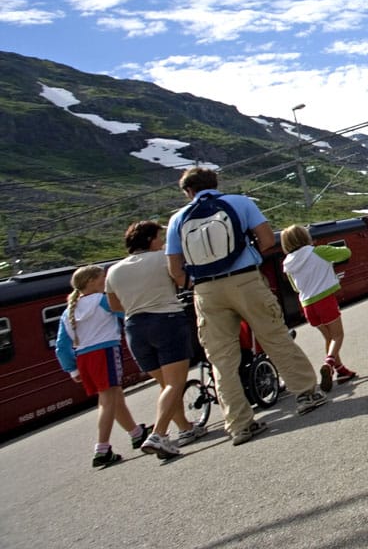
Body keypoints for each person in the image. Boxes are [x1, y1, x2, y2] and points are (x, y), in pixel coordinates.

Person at [165, 166, 326, 446]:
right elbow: (266, 239)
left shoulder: (177, 220)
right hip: (245, 280)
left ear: (188, 192)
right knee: (274, 337)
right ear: (215, 183)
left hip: (205, 291)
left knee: (222, 359)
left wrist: (199, 283)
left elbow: (175, 270)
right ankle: (306, 394)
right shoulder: (240, 203)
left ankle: (240, 425)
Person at [105, 221, 205, 460]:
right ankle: (158, 435)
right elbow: (182, 279)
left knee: (166, 384)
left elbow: (114, 305)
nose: (162, 242)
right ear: (150, 239)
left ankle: (185, 428)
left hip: (134, 329)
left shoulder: (114, 270)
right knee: (175, 383)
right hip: (166, 321)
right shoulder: (162, 258)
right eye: (160, 237)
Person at [54, 265, 148, 467]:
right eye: (101, 277)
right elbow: (128, 314)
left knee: (115, 397)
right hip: (105, 352)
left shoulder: (67, 313)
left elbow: (61, 346)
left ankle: (136, 433)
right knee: (107, 400)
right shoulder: (103, 301)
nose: (105, 280)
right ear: (90, 282)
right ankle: (102, 448)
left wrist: (72, 369)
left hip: (83, 358)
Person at [280, 225, 357, 387]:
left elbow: (295, 288)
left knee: (328, 338)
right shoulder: (317, 251)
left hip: (307, 305)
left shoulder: (288, 264)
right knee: (338, 336)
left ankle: (341, 371)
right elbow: (346, 253)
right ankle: (328, 364)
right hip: (325, 300)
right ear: (304, 236)